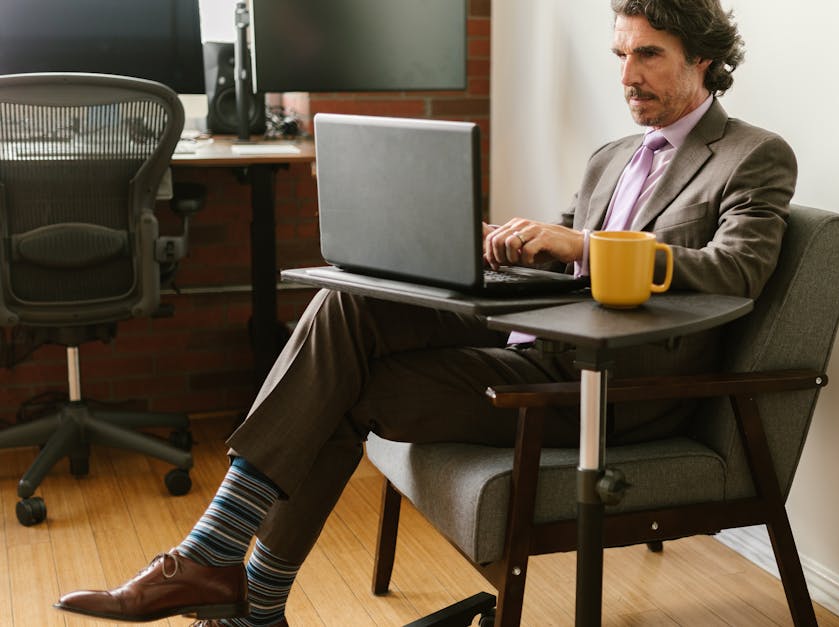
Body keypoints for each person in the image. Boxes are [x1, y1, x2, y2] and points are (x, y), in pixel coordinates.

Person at [55, 1, 797, 625]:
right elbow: (572, 263)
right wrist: (507, 247)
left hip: (612, 390)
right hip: (543, 336)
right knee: (346, 304)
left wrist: (583, 242)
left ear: (703, 60)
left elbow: (736, 271)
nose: (628, 75)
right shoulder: (612, 156)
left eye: (649, 55)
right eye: (621, 55)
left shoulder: (752, 155)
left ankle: (233, 581)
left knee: (336, 389)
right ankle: (234, 577)